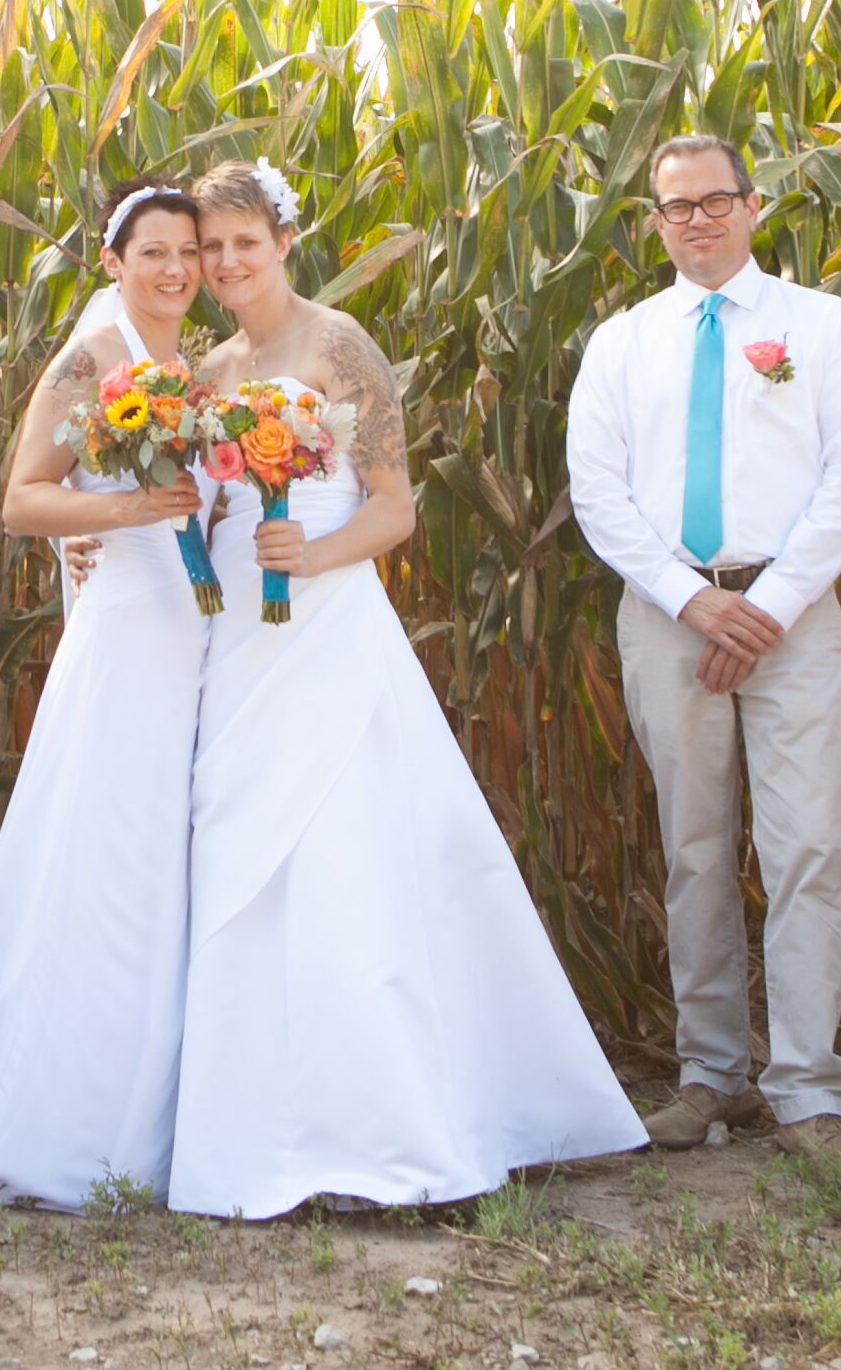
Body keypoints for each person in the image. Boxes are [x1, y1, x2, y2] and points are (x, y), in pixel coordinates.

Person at [170, 158, 642, 1217]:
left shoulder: (342, 348)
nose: (228, 261)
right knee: (244, 852)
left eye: (245, 241)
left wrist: (315, 555)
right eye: (210, 247)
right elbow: (194, 509)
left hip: (327, 622)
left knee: (345, 857)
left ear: (284, 240)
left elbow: (395, 509)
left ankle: (384, 1126)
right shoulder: (206, 370)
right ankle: (258, 1120)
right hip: (239, 633)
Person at [566, 133, 841, 1149]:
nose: (697, 221)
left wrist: (773, 605)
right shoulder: (622, 342)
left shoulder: (821, 326)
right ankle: (712, 1074)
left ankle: (809, 1089)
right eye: (676, 208)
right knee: (695, 848)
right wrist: (690, 600)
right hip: (670, 618)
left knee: (810, 846)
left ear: (755, 207)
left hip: (790, 615)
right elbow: (598, 491)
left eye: (715, 202)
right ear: (653, 222)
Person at [0, 181, 215, 1209]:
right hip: (133, 626)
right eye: (153, 251)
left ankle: (184, 1098)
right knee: (117, 851)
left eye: (188, 251)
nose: (173, 268)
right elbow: (21, 499)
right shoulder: (94, 356)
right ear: (113, 260)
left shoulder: (199, 365)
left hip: (203, 633)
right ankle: (79, 1109)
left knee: (181, 853)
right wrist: (131, 505)